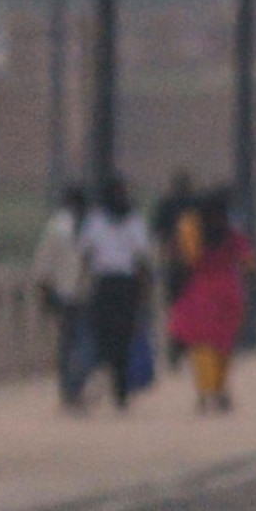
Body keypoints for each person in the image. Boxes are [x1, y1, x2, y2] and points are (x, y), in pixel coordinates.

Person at [167, 191, 255, 412]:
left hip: (200, 292)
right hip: (229, 292)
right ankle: (219, 388)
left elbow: (188, 258)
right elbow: (248, 260)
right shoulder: (232, 234)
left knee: (202, 345)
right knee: (223, 344)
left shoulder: (196, 232)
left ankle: (206, 391)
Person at [76, 176, 156, 416]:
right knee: (122, 338)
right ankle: (119, 390)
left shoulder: (95, 221)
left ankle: (108, 382)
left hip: (106, 284)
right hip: (126, 285)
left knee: (106, 335)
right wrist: (145, 289)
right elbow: (142, 258)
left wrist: (83, 282)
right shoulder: (134, 221)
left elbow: (84, 253)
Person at [36, 184, 97, 409]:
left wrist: (44, 286)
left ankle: (73, 386)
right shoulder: (59, 227)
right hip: (66, 293)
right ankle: (70, 390)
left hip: (83, 293)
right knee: (71, 343)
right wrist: (45, 288)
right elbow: (45, 261)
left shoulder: (87, 227)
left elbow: (43, 261)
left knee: (80, 344)